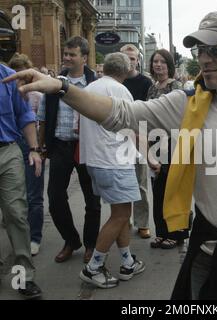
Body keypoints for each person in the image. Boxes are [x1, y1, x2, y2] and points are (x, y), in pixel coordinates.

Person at [4, 9, 217, 301]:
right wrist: (63, 88)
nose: (204, 57)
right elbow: (123, 113)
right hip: (208, 245)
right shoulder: (186, 103)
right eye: (199, 49)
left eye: (213, 49)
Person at [79, 52, 145, 288]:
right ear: (126, 71)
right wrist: (148, 156)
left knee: (121, 213)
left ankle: (127, 262)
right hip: (114, 161)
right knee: (120, 216)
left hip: (96, 161)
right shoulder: (120, 91)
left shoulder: (90, 88)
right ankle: (94, 267)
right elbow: (132, 127)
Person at [37, 36, 101, 264]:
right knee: (54, 198)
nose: (66, 58)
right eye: (65, 53)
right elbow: (43, 117)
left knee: (92, 200)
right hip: (60, 147)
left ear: (84, 57)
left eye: (71, 54)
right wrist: (40, 146)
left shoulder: (96, 84)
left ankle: (91, 244)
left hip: (87, 147)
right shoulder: (54, 83)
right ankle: (71, 241)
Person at [0, 10, 42, 299]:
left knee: (16, 212)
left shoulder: (7, 76)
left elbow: (25, 115)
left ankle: (23, 276)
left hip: (8, 152)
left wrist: (35, 150)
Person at [147, 49, 187, 250]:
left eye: (162, 61)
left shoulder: (176, 86)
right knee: (159, 191)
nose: (158, 65)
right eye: (155, 61)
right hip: (156, 143)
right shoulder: (152, 88)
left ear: (169, 65)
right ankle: (162, 232)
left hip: (174, 143)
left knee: (174, 191)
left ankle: (176, 233)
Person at [8, 53, 45, 256]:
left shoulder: (37, 96)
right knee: (15, 195)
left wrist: (40, 148)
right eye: (16, 77)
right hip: (12, 145)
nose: (20, 81)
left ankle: (35, 237)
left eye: (24, 77)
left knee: (34, 195)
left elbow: (43, 124)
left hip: (33, 146)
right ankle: (19, 232)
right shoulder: (7, 95)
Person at [120, 44, 153, 239]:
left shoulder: (145, 82)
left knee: (140, 183)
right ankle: (124, 219)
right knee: (123, 182)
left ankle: (142, 222)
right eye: (126, 58)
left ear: (138, 60)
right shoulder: (116, 80)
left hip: (139, 136)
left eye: (133, 58)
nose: (130, 61)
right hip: (119, 137)